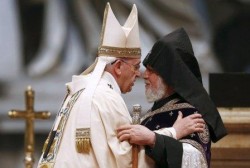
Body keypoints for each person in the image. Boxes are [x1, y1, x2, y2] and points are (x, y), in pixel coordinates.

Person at [37, 3, 156, 168]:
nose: (139, 73)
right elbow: (127, 159)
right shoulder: (107, 98)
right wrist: (169, 136)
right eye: (136, 67)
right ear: (119, 67)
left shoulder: (78, 90)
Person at [117, 28, 227, 168]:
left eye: (152, 71)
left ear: (170, 77)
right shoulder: (156, 111)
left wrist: (153, 139)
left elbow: (195, 159)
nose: (145, 75)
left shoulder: (191, 115)